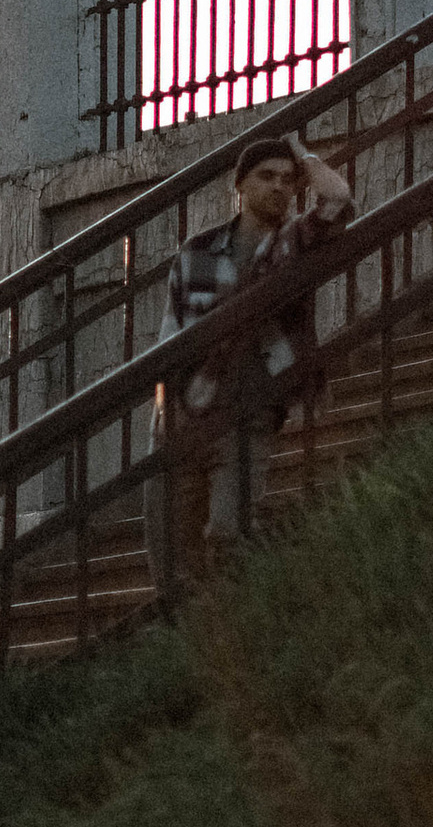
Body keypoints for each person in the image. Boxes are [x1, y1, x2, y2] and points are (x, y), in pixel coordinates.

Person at [146, 132, 354, 601]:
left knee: (227, 532)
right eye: (266, 177)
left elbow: (337, 198)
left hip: (250, 410)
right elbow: (169, 337)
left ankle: (238, 619)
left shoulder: (295, 242)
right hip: (189, 408)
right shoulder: (196, 252)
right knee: (170, 550)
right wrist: (166, 411)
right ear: (238, 184)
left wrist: (301, 152)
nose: (280, 187)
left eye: (288, 180)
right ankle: (187, 639)